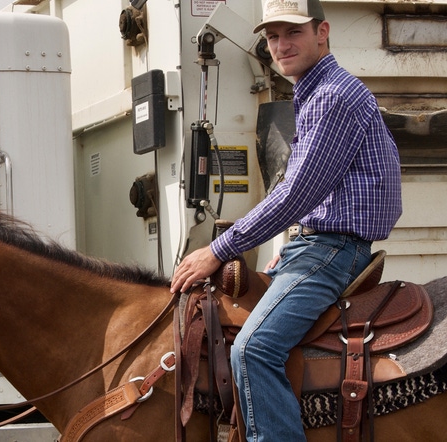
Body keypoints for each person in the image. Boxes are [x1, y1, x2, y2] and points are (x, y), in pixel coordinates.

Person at [169, 0, 402, 439]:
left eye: (292, 33)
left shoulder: (332, 97)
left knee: (253, 350)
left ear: (323, 31)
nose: (280, 45)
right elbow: (304, 192)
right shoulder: (316, 92)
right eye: (272, 37)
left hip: (332, 250)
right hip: (319, 245)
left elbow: (295, 194)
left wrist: (218, 249)